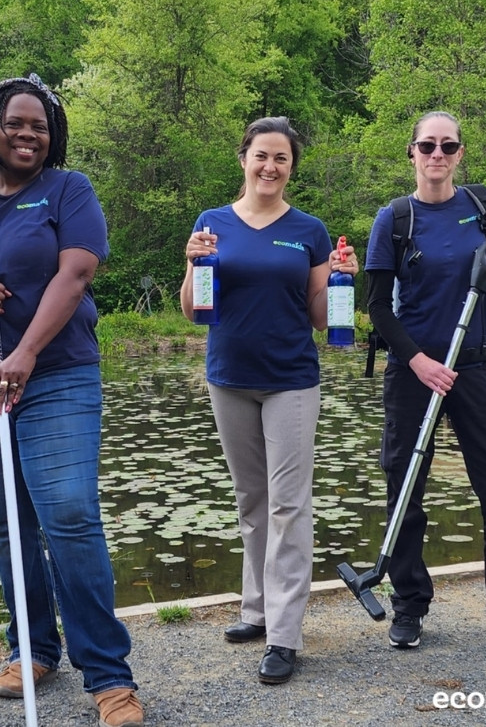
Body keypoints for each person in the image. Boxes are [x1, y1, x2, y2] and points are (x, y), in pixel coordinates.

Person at [0, 74, 143, 727]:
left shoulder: (68, 190)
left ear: (52, 135)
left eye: (39, 125)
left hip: (56, 374)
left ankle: (108, 674)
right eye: (15, 123)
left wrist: (26, 351)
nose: (27, 134)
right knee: (7, 521)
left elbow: (77, 272)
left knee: (69, 514)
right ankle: (33, 648)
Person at [180, 116, 358, 684]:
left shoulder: (309, 230)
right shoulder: (210, 224)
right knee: (251, 499)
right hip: (228, 377)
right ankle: (255, 610)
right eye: (262, 155)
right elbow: (192, 310)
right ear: (244, 159)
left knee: (288, 505)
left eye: (281, 158)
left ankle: (284, 634)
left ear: (291, 167)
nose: (270, 166)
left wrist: (342, 280)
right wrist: (192, 262)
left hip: (290, 380)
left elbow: (319, 318)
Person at [364, 110, 486, 650]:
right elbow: (378, 307)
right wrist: (419, 361)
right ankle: (409, 604)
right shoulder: (394, 219)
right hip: (414, 371)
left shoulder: (483, 207)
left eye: (447, 146)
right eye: (427, 145)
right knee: (405, 488)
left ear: (460, 153)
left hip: (477, 366)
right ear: (412, 153)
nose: (437, 154)